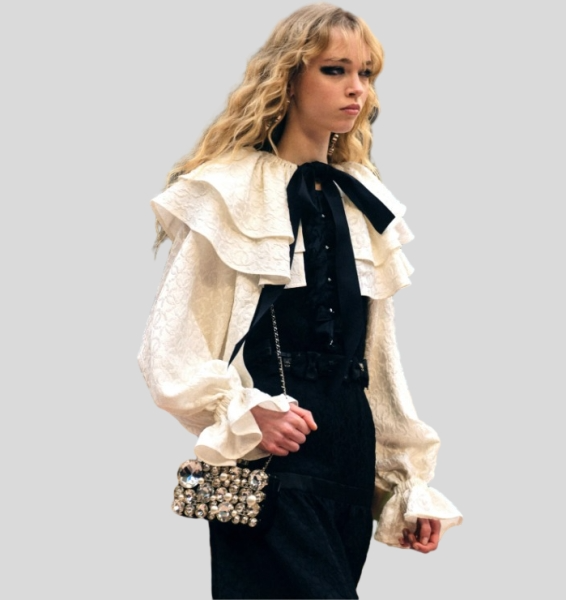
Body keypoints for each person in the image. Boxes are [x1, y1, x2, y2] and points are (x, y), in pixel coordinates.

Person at [138, 4, 462, 598]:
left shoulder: (363, 202)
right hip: (270, 458)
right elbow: (171, 347)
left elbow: (378, 362)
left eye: (366, 73)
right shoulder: (228, 191)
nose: (356, 88)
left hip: (349, 459)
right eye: (335, 70)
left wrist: (404, 484)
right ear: (288, 77)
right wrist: (246, 413)